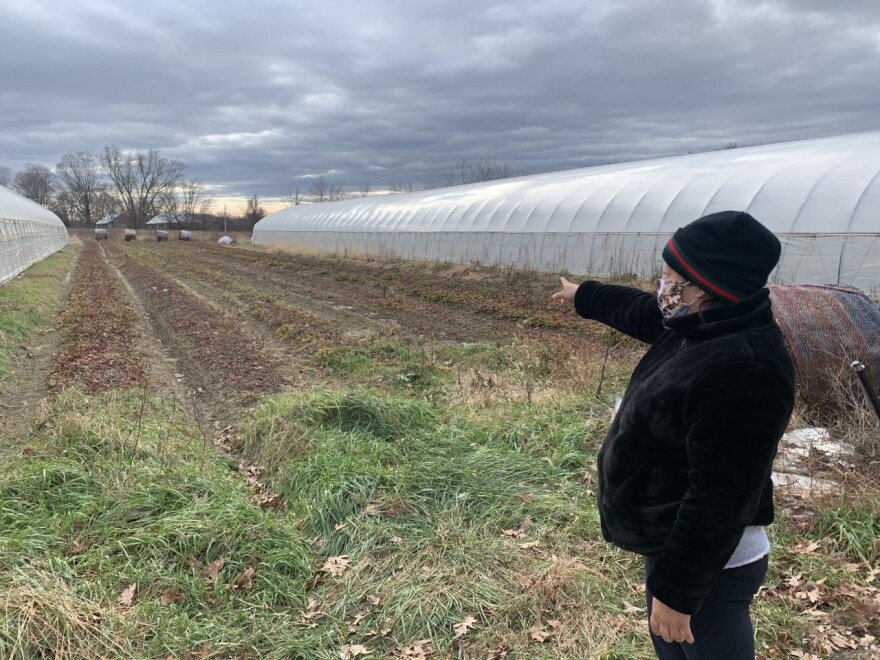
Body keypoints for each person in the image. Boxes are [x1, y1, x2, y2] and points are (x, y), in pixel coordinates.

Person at [553, 211, 796, 659]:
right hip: (673, 543)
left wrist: (677, 594)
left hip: (711, 566)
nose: (661, 287)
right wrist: (583, 295)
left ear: (704, 287)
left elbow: (720, 498)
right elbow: (643, 312)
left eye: (669, 278)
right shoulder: (702, 327)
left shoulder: (746, 369)